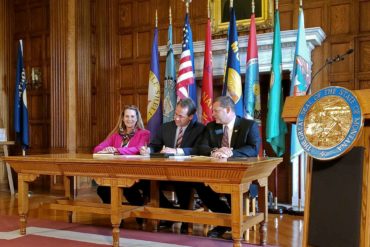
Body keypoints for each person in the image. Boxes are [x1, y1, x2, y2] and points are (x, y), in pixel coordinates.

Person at [196, 96, 261, 238]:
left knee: (232, 185)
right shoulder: (211, 127)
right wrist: (214, 152)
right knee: (199, 184)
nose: (212, 114)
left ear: (227, 110)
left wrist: (231, 153)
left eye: (215, 111)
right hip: (215, 173)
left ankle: (234, 225)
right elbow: (201, 146)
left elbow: (253, 148)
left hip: (241, 175)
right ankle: (227, 220)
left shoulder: (248, 125)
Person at [140, 97, 205, 232]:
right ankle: (170, 212)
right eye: (175, 114)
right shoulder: (166, 127)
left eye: (181, 116)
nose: (176, 118)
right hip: (165, 171)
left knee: (182, 183)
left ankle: (186, 221)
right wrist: (148, 150)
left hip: (188, 173)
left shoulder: (200, 129)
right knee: (145, 182)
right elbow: (155, 145)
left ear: (191, 117)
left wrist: (176, 151)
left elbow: (199, 149)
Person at [94, 105, 150, 211]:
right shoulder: (116, 135)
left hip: (136, 174)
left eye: (132, 116)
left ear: (137, 118)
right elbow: (98, 148)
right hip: (116, 173)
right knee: (102, 190)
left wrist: (117, 150)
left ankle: (139, 213)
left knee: (129, 189)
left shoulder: (144, 133)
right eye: (127, 116)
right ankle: (117, 214)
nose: (130, 119)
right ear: (123, 118)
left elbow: (138, 149)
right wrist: (104, 150)